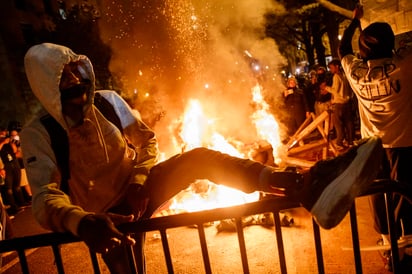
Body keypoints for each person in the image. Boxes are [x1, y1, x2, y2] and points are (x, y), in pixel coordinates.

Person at [21, 43, 382, 273]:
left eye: (74, 70)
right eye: (62, 78)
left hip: (140, 189)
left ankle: (303, 184)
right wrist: (83, 223)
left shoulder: (108, 101)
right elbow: (44, 198)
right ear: (46, 88)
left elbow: (146, 143)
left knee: (198, 158)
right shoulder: (39, 133)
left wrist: (139, 182)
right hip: (104, 220)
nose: (74, 80)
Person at [339, 5, 412, 271]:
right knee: (403, 190)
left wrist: (353, 21)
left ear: (363, 49)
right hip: (403, 141)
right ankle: (406, 243)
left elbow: (342, 50)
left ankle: (387, 243)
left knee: (378, 193)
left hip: (370, 146)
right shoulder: (403, 64)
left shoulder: (355, 72)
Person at [323, 59, 354, 149]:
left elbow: (335, 90)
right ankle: (350, 141)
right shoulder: (345, 75)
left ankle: (339, 142)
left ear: (337, 66)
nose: (331, 70)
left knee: (338, 124)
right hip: (347, 103)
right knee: (349, 123)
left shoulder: (336, 76)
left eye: (332, 67)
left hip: (339, 104)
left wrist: (326, 88)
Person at [0, 128, 25, 217]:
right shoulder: (1, 143)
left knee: (17, 186)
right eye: (2, 133)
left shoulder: (9, 142)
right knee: (9, 188)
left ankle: (22, 203)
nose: (3, 134)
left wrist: (11, 142)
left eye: (5, 133)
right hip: (5, 166)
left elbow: (15, 151)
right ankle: (13, 207)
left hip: (14, 163)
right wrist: (3, 142)